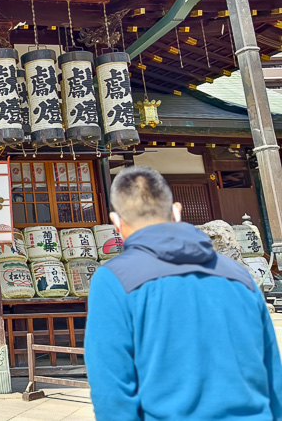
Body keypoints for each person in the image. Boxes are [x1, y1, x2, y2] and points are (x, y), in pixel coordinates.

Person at [85, 166, 282, 421]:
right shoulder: (238, 275)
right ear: (176, 212)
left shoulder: (114, 279)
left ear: (116, 223)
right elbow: (272, 371)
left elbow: (112, 391)